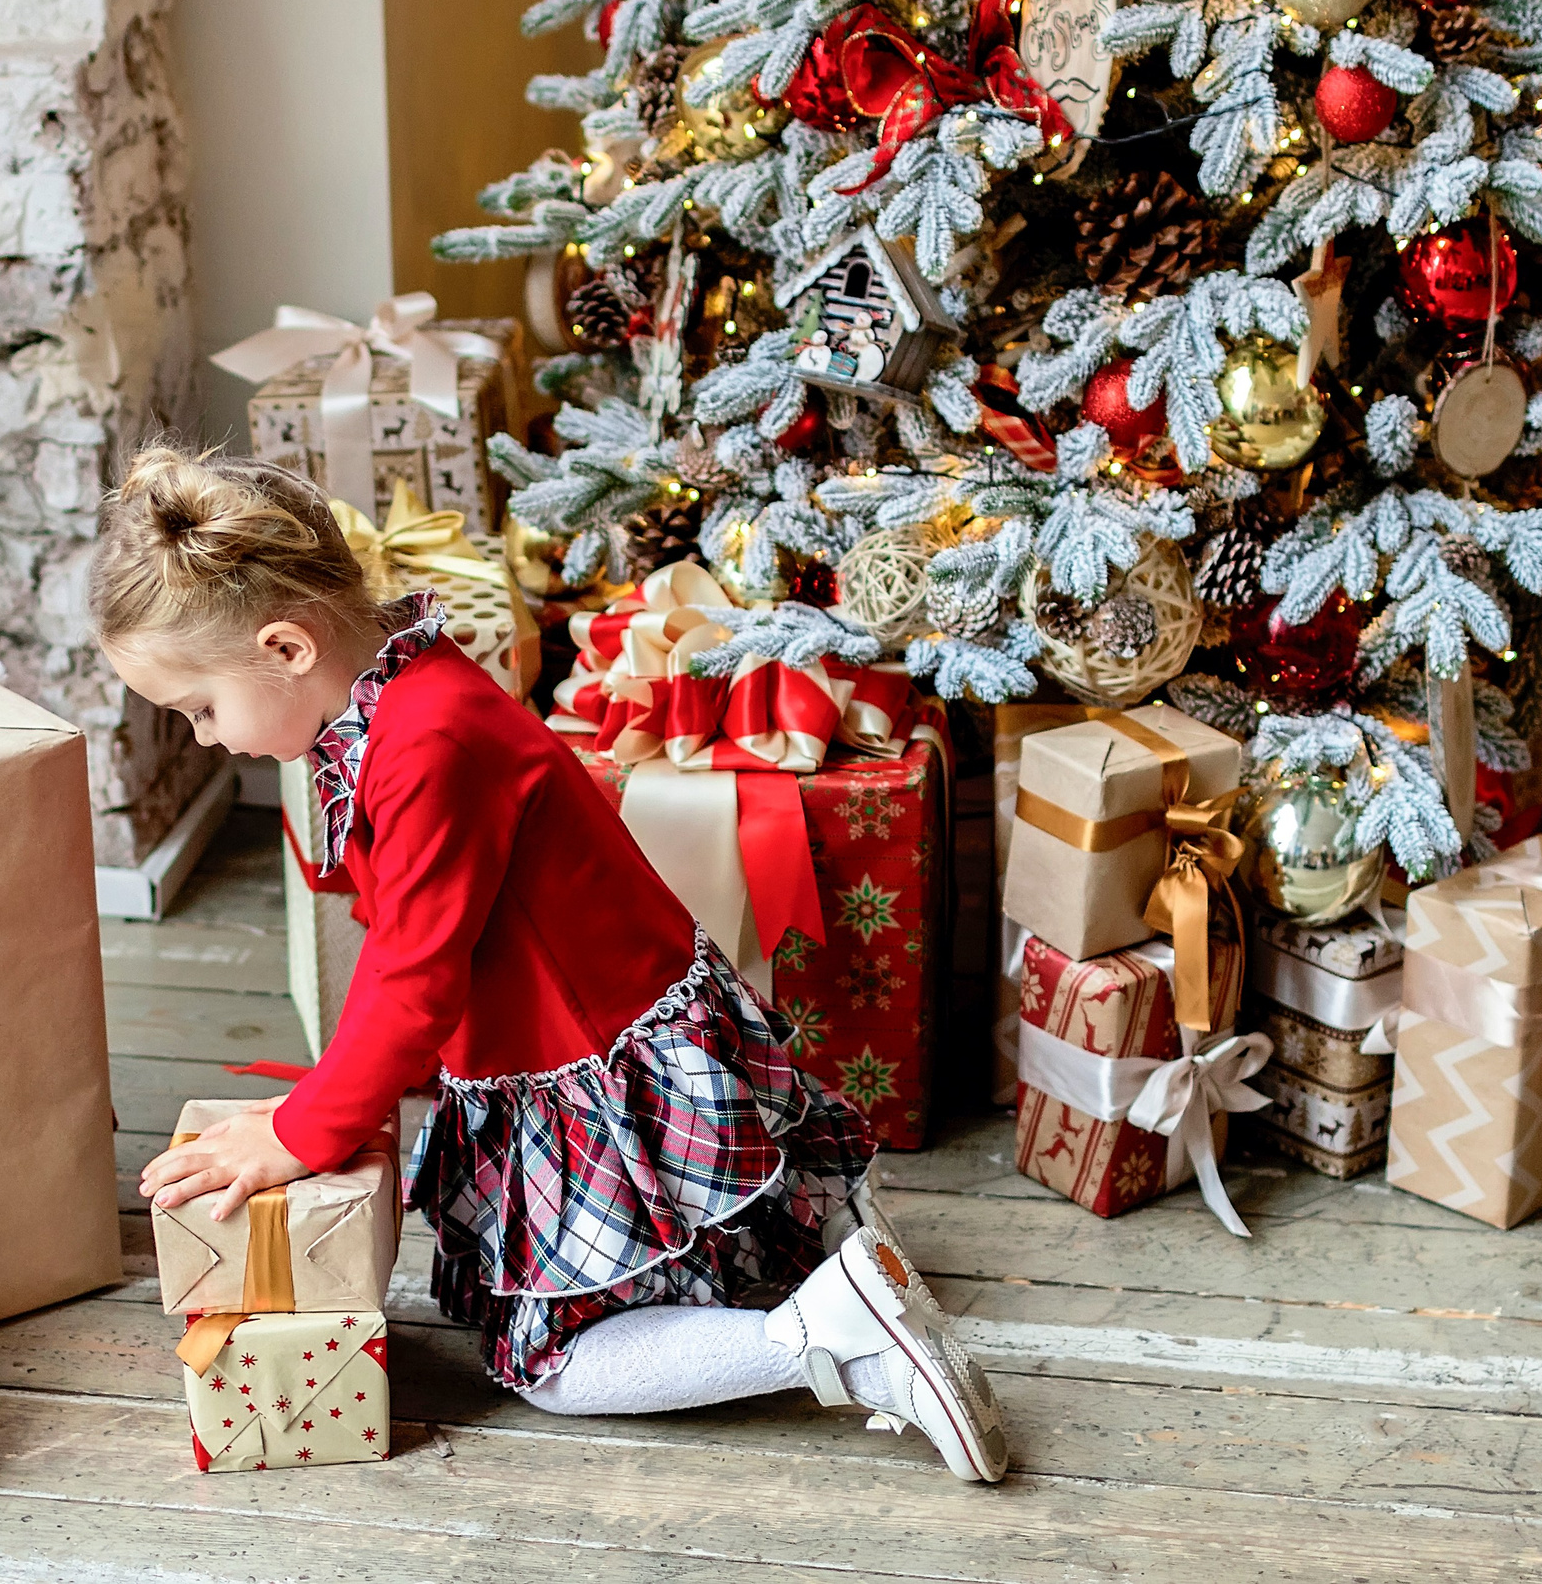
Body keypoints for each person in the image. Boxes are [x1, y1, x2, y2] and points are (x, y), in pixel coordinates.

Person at [103, 444, 1008, 1481]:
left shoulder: (423, 742)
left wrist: (303, 1131)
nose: (208, 740)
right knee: (679, 1266)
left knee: (548, 1359)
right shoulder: (397, 695)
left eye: (199, 709)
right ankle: (834, 1274)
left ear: (287, 645)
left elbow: (413, 973)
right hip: (598, 1023)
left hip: (587, 1060)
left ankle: (833, 1342)